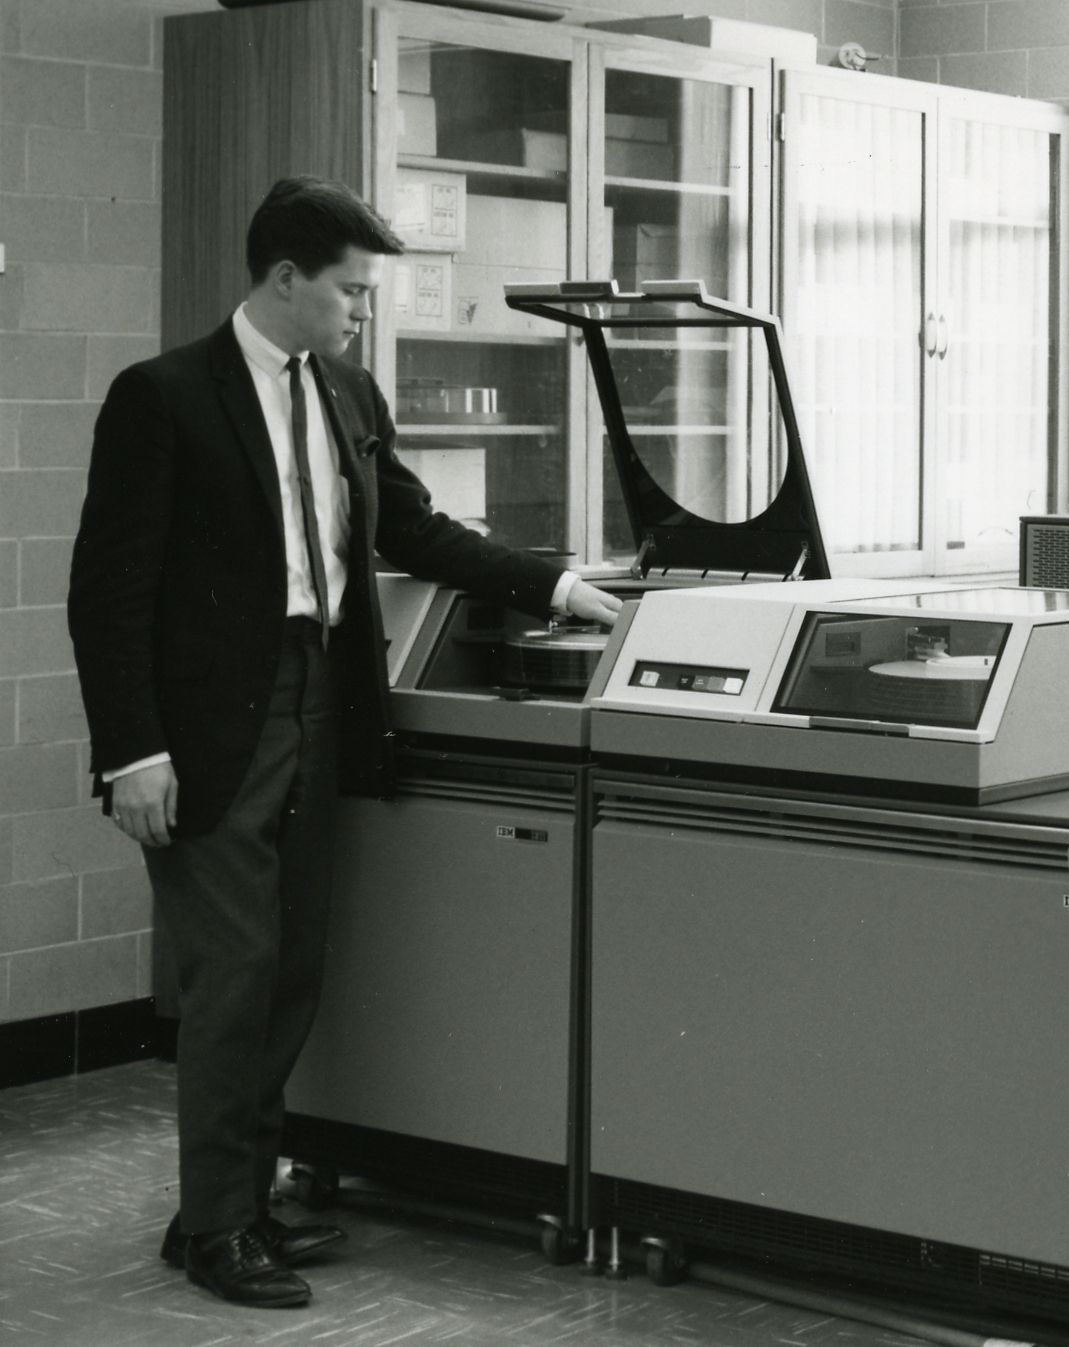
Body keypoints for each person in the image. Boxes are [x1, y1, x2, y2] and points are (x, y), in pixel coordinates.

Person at [68, 176, 622, 1310]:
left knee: (291, 971)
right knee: (233, 974)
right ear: (285, 281)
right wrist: (132, 755)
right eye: (351, 292)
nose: (363, 312)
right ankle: (223, 1228)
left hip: (323, 699)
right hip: (206, 727)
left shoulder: (349, 392)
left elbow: (411, 526)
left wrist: (554, 581)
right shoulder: (162, 396)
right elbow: (106, 595)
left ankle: (227, 1207)